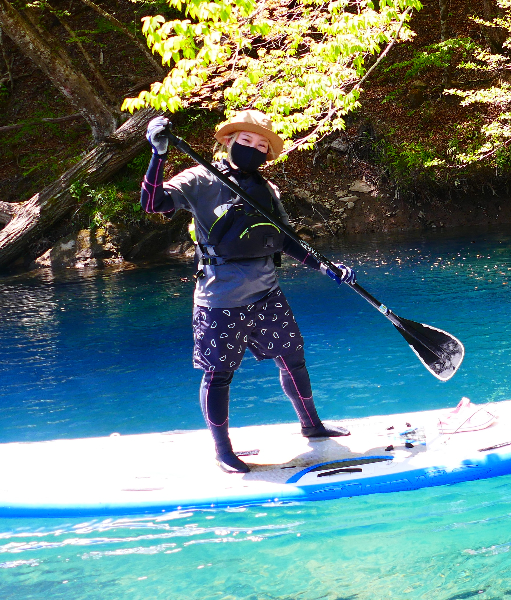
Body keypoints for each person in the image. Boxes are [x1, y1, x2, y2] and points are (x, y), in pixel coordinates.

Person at [140, 109, 354, 473]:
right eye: (245, 140)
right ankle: (223, 451)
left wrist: (325, 266)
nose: (252, 148)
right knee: (218, 374)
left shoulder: (267, 190)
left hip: (266, 293)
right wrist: (157, 155)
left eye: (260, 145)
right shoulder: (200, 179)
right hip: (220, 299)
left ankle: (312, 426)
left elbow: (286, 240)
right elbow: (152, 203)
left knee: (293, 358)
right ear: (229, 141)